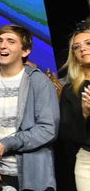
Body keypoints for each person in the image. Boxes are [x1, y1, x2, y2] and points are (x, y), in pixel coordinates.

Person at [0, 24, 59, 191]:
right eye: (0, 41)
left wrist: (9, 143)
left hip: (29, 176)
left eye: (11, 41)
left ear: (25, 51)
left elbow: (48, 128)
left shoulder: (39, 82)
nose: (3, 45)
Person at [57, 23, 90, 191]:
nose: (83, 49)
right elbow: (67, 135)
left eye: (88, 43)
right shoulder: (70, 91)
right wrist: (85, 114)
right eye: (77, 47)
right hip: (87, 162)